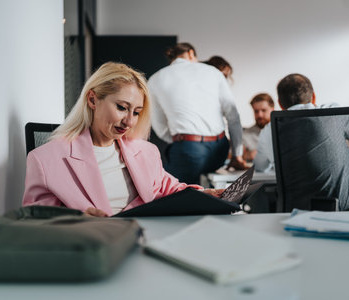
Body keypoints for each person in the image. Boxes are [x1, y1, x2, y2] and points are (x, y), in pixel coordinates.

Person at [22, 62, 221, 217]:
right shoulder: (44, 159)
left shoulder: (146, 151)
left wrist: (203, 195)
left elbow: (166, 189)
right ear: (92, 99)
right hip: (93, 245)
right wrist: (74, 220)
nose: (129, 121)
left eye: (136, 112)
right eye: (122, 108)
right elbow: (36, 220)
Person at [254, 73, 349, 210]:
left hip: (296, 215)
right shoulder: (333, 112)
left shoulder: (268, 129)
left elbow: (260, 166)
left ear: (280, 104)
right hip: (346, 210)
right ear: (313, 97)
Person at [148, 43, 246, 184]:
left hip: (188, 151)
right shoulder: (213, 72)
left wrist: (181, 140)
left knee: (172, 196)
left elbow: (159, 126)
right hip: (220, 151)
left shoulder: (155, 79)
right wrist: (237, 155)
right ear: (191, 53)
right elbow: (233, 117)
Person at [242, 93, 275, 161]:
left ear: (273, 110)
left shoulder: (282, 130)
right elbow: (231, 155)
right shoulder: (245, 134)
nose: (260, 115)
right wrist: (248, 155)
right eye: (256, 111)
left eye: (264, 110)